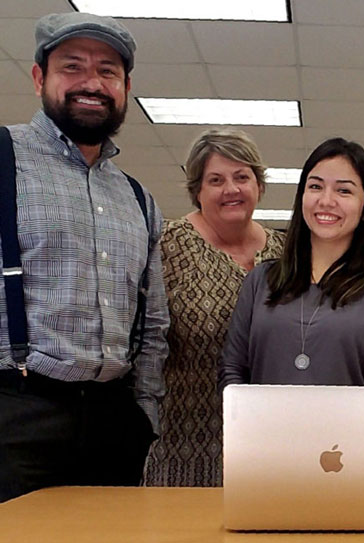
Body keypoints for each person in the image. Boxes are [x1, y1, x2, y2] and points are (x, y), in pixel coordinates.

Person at [0, 12, 169, 502]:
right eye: (72, 67)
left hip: (113, 422)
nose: (91, 82)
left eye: (108, 71)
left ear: (125, 87)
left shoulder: (138, 198)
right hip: (15, 414)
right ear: (40, 78)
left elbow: (152, 323)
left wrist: (145, 412)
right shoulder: (3, 159)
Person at [143, 130, 285, 487]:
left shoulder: (287, 252)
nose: (231, 190)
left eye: (242, 177)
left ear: (259, 184)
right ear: (198, 190)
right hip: (184, 444)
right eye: (216, 180)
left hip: (273, 445)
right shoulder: (167, 246)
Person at [218, 138, 364, 389]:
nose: (326, 200)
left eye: (344, 190)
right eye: (315, 187)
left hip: (354, 428)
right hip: (265, 427)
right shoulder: (261, 280)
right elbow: (232, 370)